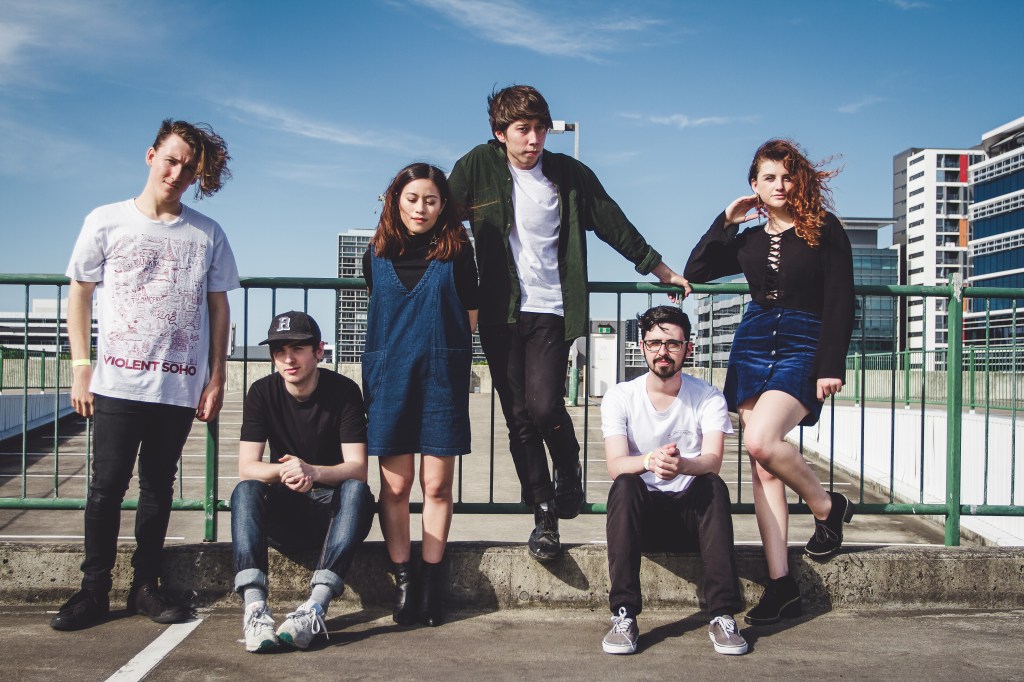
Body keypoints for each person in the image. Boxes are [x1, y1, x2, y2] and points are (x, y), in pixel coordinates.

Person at [448, 84, 691, 561]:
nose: (534, 139)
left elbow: (612, 221)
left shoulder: (568, 174)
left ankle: (568, 464)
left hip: (553, 309)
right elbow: (441, 216)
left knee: (543, 407)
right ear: (500, 133)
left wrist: (659, 268)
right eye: (523, 130)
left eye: (540, 129)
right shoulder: (477, 165)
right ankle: (544, 516)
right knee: (518, 419)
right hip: (500, 312)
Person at [52, 119, 238, 631]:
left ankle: (145, 587)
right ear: (151, 155)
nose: (177, 174)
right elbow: (79, 294)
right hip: (117, 382)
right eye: (171, 160)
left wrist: (217, 377)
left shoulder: (207, 233)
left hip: (178, 384)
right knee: (106, 486)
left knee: (158, 487)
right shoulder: (106, 220)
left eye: (189, 168)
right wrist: (81, 367)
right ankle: (93, 591)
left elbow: (219, 308)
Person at [684, 139, 856, 626]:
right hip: (754, 342)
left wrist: (831, 363)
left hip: (804, 343)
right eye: (769, 178)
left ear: (799, 181)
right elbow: (697, 269)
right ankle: (782, 586)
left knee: (761, 441)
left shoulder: (824, 228)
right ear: (754, 186)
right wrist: (726, 220)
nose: (780, 185)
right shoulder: (748, 240)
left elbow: (841, 298)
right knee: (763, 469)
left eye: (787, 176)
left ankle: (826, 505)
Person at [362, 163, 479, 627]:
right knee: (395, 486)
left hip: (440, 380)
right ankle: (404, 581)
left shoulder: (458, 254)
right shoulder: (375, 255)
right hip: (390, 379)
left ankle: (431, 582)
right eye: (412, 199)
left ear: (442, 205)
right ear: (396, 201)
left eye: (430, 200)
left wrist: (441, 352)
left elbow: (470, 317)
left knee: (437, 486)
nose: (420, 208)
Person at [600, 305, 747, 656]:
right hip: (642, 521)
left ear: (688, 348)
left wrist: (681, 466)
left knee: (712, 485)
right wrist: (649, 461)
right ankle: (624, 615)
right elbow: (615, 464)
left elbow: (713, 461)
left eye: (672, 344)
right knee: (625, 484)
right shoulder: (621, 396)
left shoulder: (707, 396)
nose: (662, 352)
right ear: (642, 346)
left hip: (692, 521)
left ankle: (723, 615)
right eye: (654, 343)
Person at [231, 311, 375, 652]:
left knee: (357, 491)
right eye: (279, 351)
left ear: (318, 351)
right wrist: (286, 471)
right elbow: (247, 467)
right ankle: (255, 609)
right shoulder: (262, 392)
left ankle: (314, 609)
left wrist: (313, 471)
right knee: (245, 491)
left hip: (332, 517)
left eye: (297, 348)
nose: (288, 359)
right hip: (284, 514)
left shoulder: (344, 391)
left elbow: (358, 468)